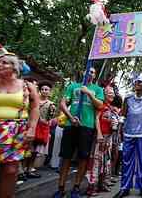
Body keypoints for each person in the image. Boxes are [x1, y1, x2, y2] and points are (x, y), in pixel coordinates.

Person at [0, 53, 40, 198]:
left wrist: (31, 129)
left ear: (14, 67)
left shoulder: (27, 86)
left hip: (16, 130)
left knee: (11, 170)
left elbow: (35, 108)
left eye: (4, 63)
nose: (0, 65)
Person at [54, 67, 104, 198]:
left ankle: (76, 187)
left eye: (93, 72)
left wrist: (89, 93)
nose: (90, 73)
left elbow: (99, 105)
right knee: (66, 156)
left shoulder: (98, 89)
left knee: (83, 157)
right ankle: (61, 188)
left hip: (87, 126)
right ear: (83, 72)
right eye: (88, 71)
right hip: (71, 125)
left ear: (95, 75)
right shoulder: (73, 86)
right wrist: (70, 117)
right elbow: (63, 103)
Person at [86, 86, 120, 196]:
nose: (112, 95)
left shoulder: (111, 108)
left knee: (106, 162)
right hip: (100, 136)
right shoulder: (101, 105)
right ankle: (92, 187)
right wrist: (99, 133)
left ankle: (102, 184)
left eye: (113, 93)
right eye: (109, 93)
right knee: (96, 161)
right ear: (104, 93)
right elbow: (96, 118)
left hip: (109, 137)